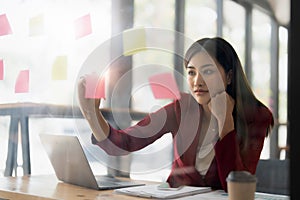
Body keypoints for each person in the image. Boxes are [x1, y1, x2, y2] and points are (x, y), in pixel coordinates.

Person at [77, 37, 274, 191]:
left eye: (208, 71)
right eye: (191, 72)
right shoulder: (182, 108)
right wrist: (91, 113)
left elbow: (238, 188)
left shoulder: (257, 116)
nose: (197, 81)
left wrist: (226, 124)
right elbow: (125, 143)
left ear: (229, 76)